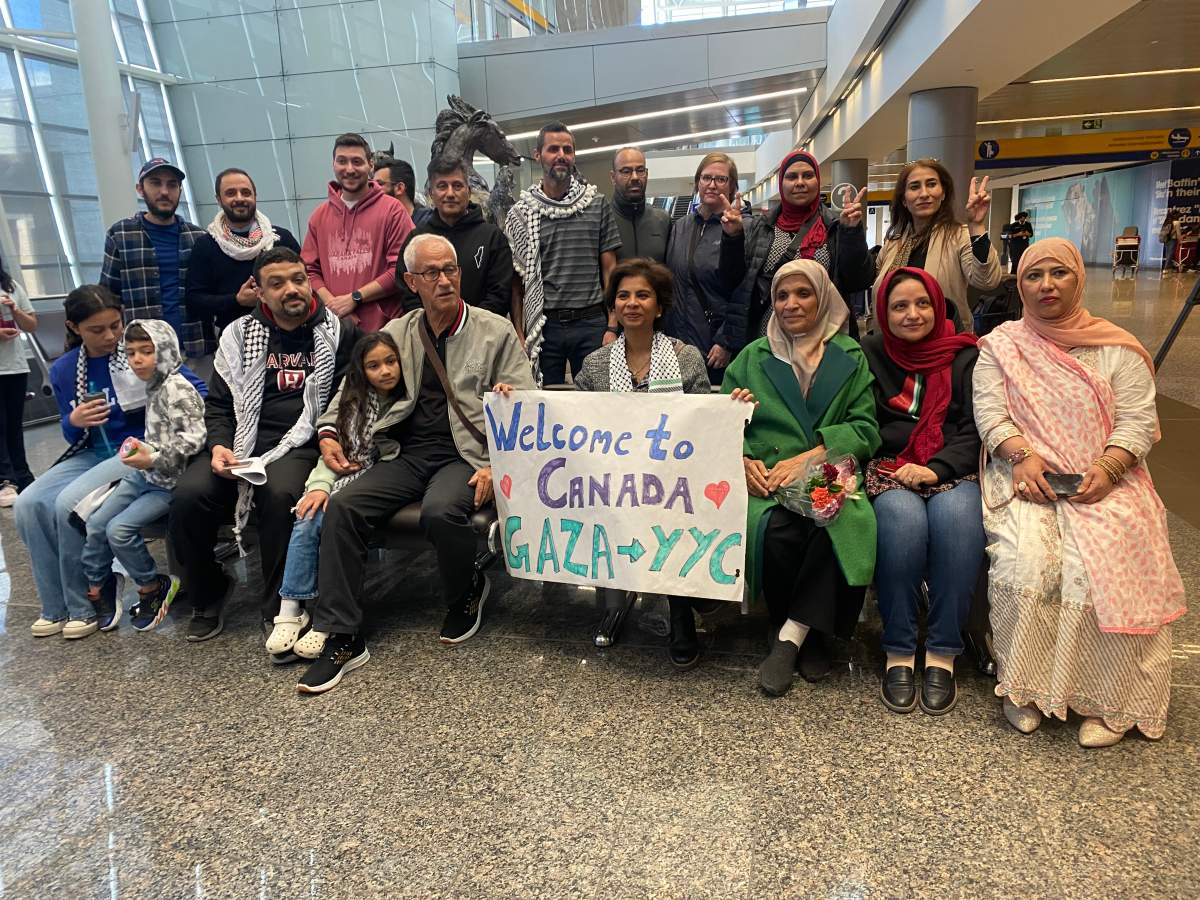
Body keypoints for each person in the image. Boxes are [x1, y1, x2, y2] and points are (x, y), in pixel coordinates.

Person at [296, 234, 534, 694]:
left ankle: (467, 590)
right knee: (343, 507)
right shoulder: (400, 331)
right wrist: (328, 432)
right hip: (405, 452)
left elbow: (525, 410)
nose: (445, 280)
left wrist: (496, 466)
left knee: (441, 511)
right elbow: (353, 390)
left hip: (467, 454)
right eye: (432, 273)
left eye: (451, 270)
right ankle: (344, 636)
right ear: (411, 281)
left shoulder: (494, 331)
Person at [974, 237, 1186, 747]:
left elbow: (1137, 420)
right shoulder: (1003, 345)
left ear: (1078, 278)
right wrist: (1020, 455)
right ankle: (1024, 688)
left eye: (1058, 274)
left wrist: (1110, 468)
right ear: (1019, 284)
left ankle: (1116, 700)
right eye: (1033, 276)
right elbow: (991, 413)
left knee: (1117, 557)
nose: (1046, 286)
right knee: (1030, 560)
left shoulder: (1117, 348)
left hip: (1106, 477)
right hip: (1027, 473)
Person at [169, 247, 360, 646]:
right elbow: (219, 404)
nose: (292, 289)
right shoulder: (238, 335)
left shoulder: (341, 332)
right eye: (278, 283)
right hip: (240, 442)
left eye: (298, 279)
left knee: (280, 494)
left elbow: (348, 400)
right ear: (259, 291)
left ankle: (280, 606)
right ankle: (208, 592)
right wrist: (220, 445)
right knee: (188, 495)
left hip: (301, 441)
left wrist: (328, 436)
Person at [722, 259, 880, 696]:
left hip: (829, 470)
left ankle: (790, 637)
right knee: (776, 529)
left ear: (823, 297)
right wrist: (741, 458)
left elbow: (866, 429)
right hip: (769, 479)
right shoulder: (752, 358)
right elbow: (722, 424)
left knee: (834, 522)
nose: (791, 304)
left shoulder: (850, 355)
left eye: (803, 294)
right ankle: (806, 631)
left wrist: (814, 456)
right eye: (781, 296)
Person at [14, 286, 205, 639]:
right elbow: (73, 438)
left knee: (65, 505)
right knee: (27, 503)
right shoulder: (66, 369)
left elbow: (195, 392)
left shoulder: (140, 351)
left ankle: (86, 601)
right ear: (74, 327)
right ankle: (54, 606)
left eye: (115, 325)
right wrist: (74, 421)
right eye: (97, 330)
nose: (111, 337)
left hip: (134, 452)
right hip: (92, 451)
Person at [570, 258, 729, 668]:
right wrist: (512, 400)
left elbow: (705, 424)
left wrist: (733, 410)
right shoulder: (595, 365)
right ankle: (621, 600)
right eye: (623, 296)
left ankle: (680, 610)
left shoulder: (685, 357)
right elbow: (573, 423)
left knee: (672, 513)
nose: (632, 303)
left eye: (643, 295)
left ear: (659, 306)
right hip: (613, 481)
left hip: (673, 481)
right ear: (613, 306)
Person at [861, 268, 983, 716]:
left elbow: (975, 428)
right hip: (890, 467)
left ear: (938, 305)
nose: (912, 314)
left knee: (958, 523)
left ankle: (942, 652)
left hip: (951, 466)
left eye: (922, 304)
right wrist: (904, 464)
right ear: (883, 313)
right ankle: (897, 649)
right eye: (899, 306)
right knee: (902, 524)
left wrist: (935, 468)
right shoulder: (870, 353)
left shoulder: (965, 355)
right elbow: (865, 421)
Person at [265, 332, 404, 659]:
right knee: (308, 514)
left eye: (390, 361)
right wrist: (319, 487)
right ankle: (290, 609)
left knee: (332, 521)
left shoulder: (406, 399)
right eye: (374, 365)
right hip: (340, 469)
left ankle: (326, 619)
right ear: (361, 370)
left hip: (376, 476)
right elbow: (334, 453)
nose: (384, 371)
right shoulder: (353, 400)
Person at [80, 320, 206, 633]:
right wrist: (143, 451)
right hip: (144, 474)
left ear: (164, 351)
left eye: (146, 352)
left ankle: (152, 586)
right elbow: (161, 432)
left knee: (118, 529)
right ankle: (99, 586)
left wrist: (155, 456)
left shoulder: (178, 389)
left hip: (166, 482)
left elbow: (194, 438)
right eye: (132, 352)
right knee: (95, 523)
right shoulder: (154, 384)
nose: (137, 359)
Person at [506, 121, 622, 385]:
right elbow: (517, 283)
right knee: (547, 402)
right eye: (553, 149)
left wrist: (612, 326)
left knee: (596, 401)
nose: (561, 155)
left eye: (567, 150)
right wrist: (520, 332)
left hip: (592, 323)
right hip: (546, 326)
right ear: (538, 155)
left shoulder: (596, 203)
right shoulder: (521, 214)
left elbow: (610, 272)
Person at [719, 149, 873, 340]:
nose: (800, 182)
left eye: (807, 176)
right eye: (792, 176)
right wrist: (732, 238)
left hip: (825, 339)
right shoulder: (760, 226)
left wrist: (851, 232)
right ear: (781, 183)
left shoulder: (834, 225)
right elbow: (732, 281)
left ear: (817, 180)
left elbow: (859, 281)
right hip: (768, 338)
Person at [100, 158, 213, 363]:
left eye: (172, 185)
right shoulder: (121, 234)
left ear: (179, 190)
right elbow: (108, 295)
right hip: (142, 354)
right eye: (155, 183)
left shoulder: (199, 237)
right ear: (140, 189)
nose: (164, 191)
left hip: (193, 349)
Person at [302, 133, 414, 332]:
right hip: (334, 332)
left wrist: (356, 297)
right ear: (333, 164)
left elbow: (402, 268)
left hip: (385, 333)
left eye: (357, 161)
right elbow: (309, 270)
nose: (349, 169)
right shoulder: (319, 217)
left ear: (370, 165)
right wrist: (334, 305)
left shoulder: (393, 211)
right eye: (342, 161)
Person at [873, 159, 1002, 327]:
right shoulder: (894, 243)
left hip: (943, 344)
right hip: (892, 343)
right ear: (904, 199)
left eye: (932, 184)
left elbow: (987, 280)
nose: (924, 193)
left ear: (943, 193)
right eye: (914, 187)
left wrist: (976, 226)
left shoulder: (958, 236)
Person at [663, 153, 750, 383]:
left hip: (714, 349)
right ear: (697, 183)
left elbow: (743, 290)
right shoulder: (680, 227)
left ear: (732, 186)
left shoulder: (745, 228)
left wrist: (726, 341)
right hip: (677, 346)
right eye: (706, 178)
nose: (712, 185)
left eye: (720, 179)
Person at [186, 168, 301, 335]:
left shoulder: (280, 239)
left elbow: (305, 282)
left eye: (246, 192)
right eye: (231, 193)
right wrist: (236, 300)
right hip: (234, 340)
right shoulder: (206, 245)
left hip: (287, 335)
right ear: (219, 200)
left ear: (255, 196)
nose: (239, 198)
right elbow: (194, 301)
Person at [396, 157, 513, 316]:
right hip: (430, 335)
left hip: (483, 334)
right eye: (442, 186)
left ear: (469, 191)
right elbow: (408, 294)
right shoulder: (416, 240)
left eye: (457, 186)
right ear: (431, 193)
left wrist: (466, 327)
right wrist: (434, 327)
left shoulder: (492, 237)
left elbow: (500, 295)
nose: (450, 193)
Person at [0, 254, 37, 507]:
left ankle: (22, 475)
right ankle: (4, 480)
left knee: (13, 424)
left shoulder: (10, 285)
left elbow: (31, 324)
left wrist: (14, 309)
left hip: (14, 366)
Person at [609, 148, 671, 263]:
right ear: (613, 177)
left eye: (640, 170)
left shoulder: (662, 220)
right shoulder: (603, 221)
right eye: (626, 171)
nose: (635, 177)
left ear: (646, 174)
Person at [374, 157, 432, 227]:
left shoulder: (428, 225)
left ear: (399, 188)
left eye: (380, 184)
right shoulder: (379, 225)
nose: (373, 188)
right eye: (372, 184)